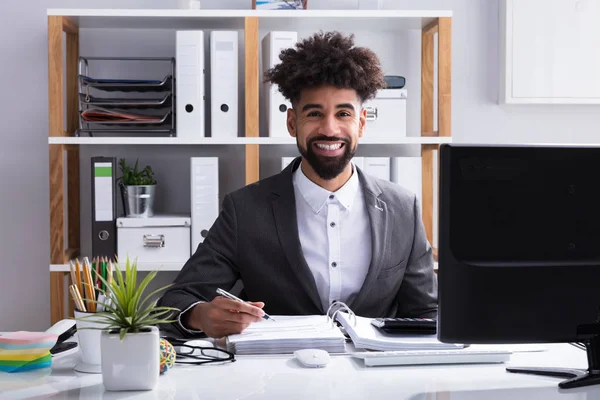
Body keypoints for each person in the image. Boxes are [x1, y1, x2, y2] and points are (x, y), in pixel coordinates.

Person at [158, 31, 438, 338]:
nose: (329, 128)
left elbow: (426, 314)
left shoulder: (403, 209)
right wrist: (199, 315)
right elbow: (174, 302)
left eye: (343, 113)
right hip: (278, 378)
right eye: (314, 113)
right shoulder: (245, 210)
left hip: (376, 378)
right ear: (292, 122)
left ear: (361, 123)